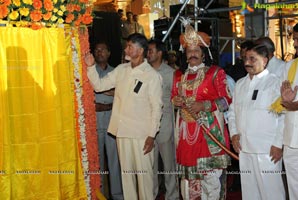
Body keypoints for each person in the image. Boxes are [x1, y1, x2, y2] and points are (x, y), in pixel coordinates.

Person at [85, 33, 163, 200]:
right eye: (127, 46)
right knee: (127, 180)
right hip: (121, 133)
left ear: (140, 51)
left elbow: (157, 108)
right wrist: (91, 67)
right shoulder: (121, 70)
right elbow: (99, 86)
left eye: (130, 46)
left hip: (142, 135)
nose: (126, 49)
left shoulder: (152, 76)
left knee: (145, 181)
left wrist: (151, 135)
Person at [171, 20, 232, 200]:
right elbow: (173, 97)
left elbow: (227, 100)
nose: (193, 54)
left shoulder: (215, 73)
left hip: (209, 133)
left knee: (210, 179)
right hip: (185, 134)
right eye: (189, 51)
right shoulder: (178, 75)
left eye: (197, 50)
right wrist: (175, 100)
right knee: (189, 182)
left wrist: (204, 105)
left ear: (204, 54)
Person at [228, 44, 286, 200]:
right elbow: (232, 112)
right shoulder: (240, 84)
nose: (247, 62)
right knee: (249, 193)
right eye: (246, 58)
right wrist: (233, 134)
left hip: (267, 149)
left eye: (252, 58)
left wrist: (278, 144)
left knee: (272, 193)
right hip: (244, 148)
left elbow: (283, 116)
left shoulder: (275, 82)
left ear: (265, 60)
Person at [147, 39, 179, 200]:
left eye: (151, 50)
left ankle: (172, 195)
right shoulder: (143, 71)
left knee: (168, 162)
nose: (148, 53)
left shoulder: (170, 73)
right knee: (150, 163)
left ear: (159, 53)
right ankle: (151, 194)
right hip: (146, 123)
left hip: (165, 121)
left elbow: (176, 98)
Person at [93, 42, 123, 200]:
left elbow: (121, 94)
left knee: (114, 161)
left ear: (109, 53)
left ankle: (117, 195)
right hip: (95, 123)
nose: (99, 52)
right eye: (97, 50)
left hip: (112, 121)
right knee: (97, 163)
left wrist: (105, 94)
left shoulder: (116, 72)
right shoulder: (89, 72)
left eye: (103, 50)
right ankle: (100, 194)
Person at [277, 22, 298, 200]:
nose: (295, 44)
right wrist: (285, 101)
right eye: (294, 40)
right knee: (294, 186)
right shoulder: (289, 66)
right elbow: (282, 102)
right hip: (291, 137)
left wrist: (296, 105)